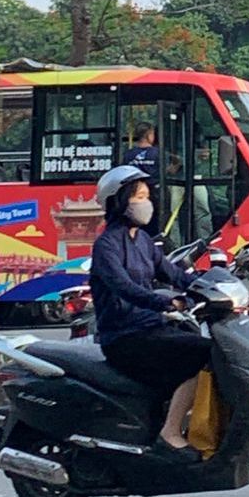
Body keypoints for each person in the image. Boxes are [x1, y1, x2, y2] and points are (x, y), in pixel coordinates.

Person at [90, 164, 211, 461]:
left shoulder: (143, 240)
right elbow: (123, 287)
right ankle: (169, 434)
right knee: (203, 354)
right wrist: (166, 303)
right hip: (125, 336)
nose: (146, 204)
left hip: (150, 327)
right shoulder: (106, 246)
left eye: (147, 196)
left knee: (208, 345)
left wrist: (209, 285)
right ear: (118, 202)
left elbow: (173, 273)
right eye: (138, 197)